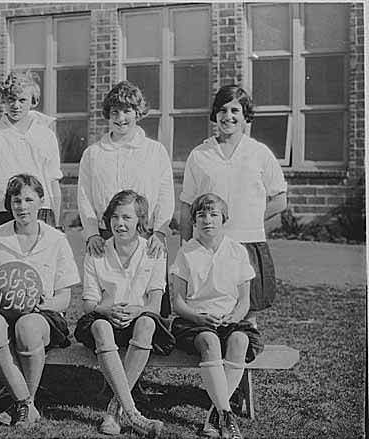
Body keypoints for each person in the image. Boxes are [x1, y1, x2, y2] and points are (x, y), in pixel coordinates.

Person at [178, 84, 287, 411]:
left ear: (245, 117)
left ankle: (235, 391)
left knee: (243, 321)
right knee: (213, 317)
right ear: (215, 114)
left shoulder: (259, 152)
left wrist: (249, 216)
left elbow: (279, 199)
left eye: (235, 111)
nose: (228, 116)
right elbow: (187, 206)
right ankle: (223, 395)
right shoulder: (201, 155)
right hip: (209, 247)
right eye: (223, 110)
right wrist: (188, 246)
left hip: (247, 242)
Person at [0, 174, 80, 427]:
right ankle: (25, 403)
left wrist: (44, 305)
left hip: (43, 315)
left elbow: (65, 298)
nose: (22, 206)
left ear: (41, 202)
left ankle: (22, 400)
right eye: (16, 200)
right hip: (4, 312)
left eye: (29, 199)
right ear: (9, 204)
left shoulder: (56, 240)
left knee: (27, 326)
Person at [74, 190, 174, 437]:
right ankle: (134, 415)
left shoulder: (154, 251)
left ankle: (115, 410)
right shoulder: (97, 250)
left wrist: (138, 310)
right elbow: (89, 304)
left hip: (139, 323)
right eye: (115, 217)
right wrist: (104, 310)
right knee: (100, 326)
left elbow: (155, 303)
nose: (119, 223)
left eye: (127, 217)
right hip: (105, 322)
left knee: (147, 324)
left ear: (140, 221)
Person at [170, 193, 262, 439]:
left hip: (229, 320)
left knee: (240, 341)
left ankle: (215, 415)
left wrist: (233, 317)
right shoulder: (186, 253)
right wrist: (199, 318)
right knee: (210, 342)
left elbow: (244, 301)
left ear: (224, 219)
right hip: (195, 322)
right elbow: (177, 302)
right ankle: (227, 414)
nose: (207, 220)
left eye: (214, 214)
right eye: (201, 215)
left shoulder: (237, 251)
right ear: (194, 221)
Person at [78, 80, 174, 259]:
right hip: (105, 237)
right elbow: (85, 197)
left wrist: (160, 233)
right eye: (115, 112)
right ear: (108, 114)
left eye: (127, 111)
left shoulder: (155, 151)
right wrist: (92, 234)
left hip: (147, 237)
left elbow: (165, 195)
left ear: (137, 113)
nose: (120, 118)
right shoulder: (93, 153)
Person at [0, 71, 63, 242]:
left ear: (33, 101)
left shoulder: (46, 135)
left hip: (39, 211)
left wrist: (56, 224)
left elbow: (53, 184)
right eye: (11, 99)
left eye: (22, 100)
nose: (16, 105)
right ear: (4, 101)